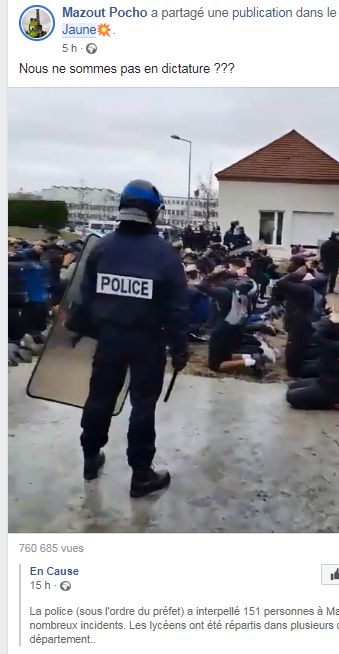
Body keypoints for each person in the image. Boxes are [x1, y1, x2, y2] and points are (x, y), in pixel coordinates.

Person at [78, 180, 189, 498]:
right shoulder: (166, 255)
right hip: (147, 343)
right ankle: (141, 475)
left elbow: (86, 298)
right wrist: (180, 350)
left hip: (109, 339)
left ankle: (90, 459)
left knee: (99, 399)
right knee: (143, 405)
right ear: (153, 213)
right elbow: (177, 309)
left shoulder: (102, 248)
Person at [286, 314, 339, 410]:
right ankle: (329, 400)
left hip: (330, 390)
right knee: (292, 386)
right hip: (324, 381)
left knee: (291, 397)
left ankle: (329, 404)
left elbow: (317, 337)